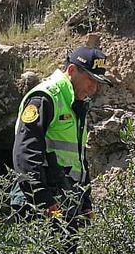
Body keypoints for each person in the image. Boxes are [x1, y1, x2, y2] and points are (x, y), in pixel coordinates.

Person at [10, 46, 114, 225]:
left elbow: (77, 159)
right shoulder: (46, 97)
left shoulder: (75, 104)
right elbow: (25, 153)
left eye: (98, 83)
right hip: (41, 203)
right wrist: (44, 200)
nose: (93, 88)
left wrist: (85, 201)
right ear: (72, 70)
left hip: (66, 199)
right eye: (90, 79)